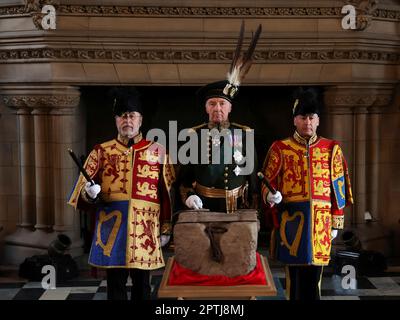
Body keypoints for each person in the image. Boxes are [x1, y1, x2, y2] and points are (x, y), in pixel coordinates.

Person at [68, 87, 175, 301]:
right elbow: (79, 191)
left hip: (146, 229)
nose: (128, 120)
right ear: (116, 120)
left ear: (141, 119)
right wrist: (90, 193)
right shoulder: (101, 151)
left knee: (143, 285)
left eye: (132, 115)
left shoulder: (159, 151)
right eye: (123, 116)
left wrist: (166, 227)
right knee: (115, 285)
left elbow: (168, 195)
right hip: (111, 229)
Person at [261, 87, 353, 300]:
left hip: (321, 224)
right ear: (295, 120)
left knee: (315, 279)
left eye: (312, 118)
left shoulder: (332, 148)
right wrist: (269, 195)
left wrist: (336, 222)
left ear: (318, 120)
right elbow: (267, 181)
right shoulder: (280, 148)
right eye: (303, 118)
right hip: (291, 222)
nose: (307, 123)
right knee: (294, 279)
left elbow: (338, 189)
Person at [178, 80, 258, 213]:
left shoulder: (244, 134)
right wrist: (189, 196)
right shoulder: (194, 135)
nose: (217, 108)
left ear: (230, 107)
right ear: (206, 108)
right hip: (203, 205)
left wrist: (254, 203)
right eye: (212, 103)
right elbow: (184, 179)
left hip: (237, 206)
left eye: (222, 103)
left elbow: (253, 176)